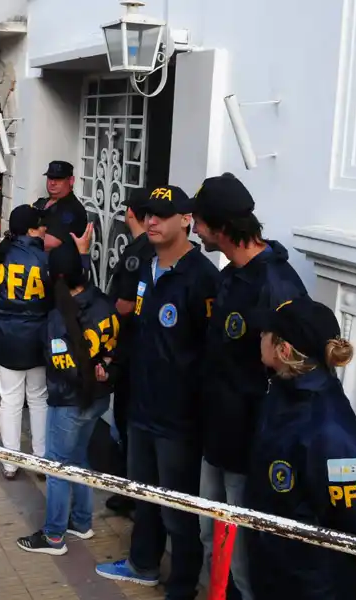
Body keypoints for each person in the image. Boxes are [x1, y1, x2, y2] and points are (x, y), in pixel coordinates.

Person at [95, 186, 219, 600]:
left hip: (178, 418)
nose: (151, 221)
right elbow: (137, 331)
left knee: (177, 508)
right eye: (147, 213)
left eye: (162, 214)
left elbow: (209, 354)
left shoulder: (202, 277)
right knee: (141, 494)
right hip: (141, 406)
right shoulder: (145, 265)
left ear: (186, 219)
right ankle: (142, 564)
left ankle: (181, 587)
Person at [192, 173, 308, 600]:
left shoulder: (276, 285)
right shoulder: (230, 276)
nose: (194, 230)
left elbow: (292, 376)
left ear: (220, 228)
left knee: (242, 560)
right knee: (211, 540)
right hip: (217, 439)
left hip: (249, 449)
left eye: (199, 222)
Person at [247, 297, 356, 600]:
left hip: (310, 575)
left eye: (266, 333)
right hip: (272, 553)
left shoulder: (328, 427)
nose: (260, 337)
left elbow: (348, 505)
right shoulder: (283, 388)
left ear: (284, 350)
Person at [16, 241, 119, 554]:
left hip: (71, 401)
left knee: (58, 467)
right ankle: (82, 522)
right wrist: (104, 368)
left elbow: (61, 366)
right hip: (98, 398)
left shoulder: (60, 319)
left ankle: (54, 535)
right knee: (79, 458)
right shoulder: (102, 301)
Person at [0, 205, 50, 478]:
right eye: (40, 225)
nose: (44, 230)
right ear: (31, 229)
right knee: (39, 398)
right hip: (39, 339)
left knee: (10, 399)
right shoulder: (43, 258)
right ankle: (41, 459)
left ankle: (10, 461)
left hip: (4, 337)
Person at [97, 187, 153, 517]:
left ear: (129, 212)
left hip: (130, 346)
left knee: (126, 423)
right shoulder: (147, 249)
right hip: (136, 348)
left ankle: (130, 493)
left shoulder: (138, 251)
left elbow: (125, 303)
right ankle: (129, 490)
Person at [33, 161, 88, 250]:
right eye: (50, 178)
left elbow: (50, 243)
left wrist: (21, 235)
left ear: (71, 181)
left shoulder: (73, 209)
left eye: (59, 179)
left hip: (57, 262)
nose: (53, 183)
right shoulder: (41, 202)